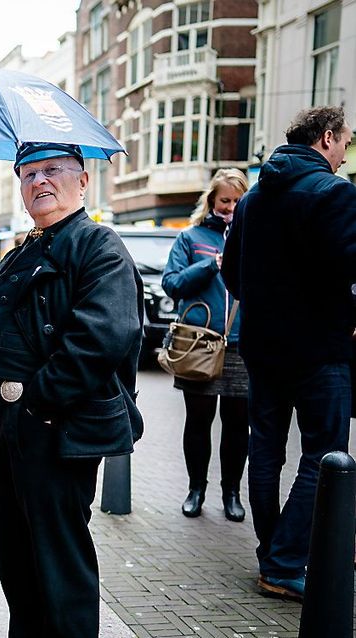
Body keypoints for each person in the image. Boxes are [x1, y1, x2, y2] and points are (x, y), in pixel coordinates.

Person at [0, 142, 143, 637]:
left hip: (52, 431)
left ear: (83, 181)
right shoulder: (20, 251)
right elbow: (9, 331)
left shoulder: (99, 247)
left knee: (58, 565)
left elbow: (100, 342)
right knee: (16, 558)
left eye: (52, 171)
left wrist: (33, 406)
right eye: (28, 175)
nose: (39, 182)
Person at [222, 105, 356, 602]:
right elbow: (348, 269)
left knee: (266, 451)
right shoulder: (335, 193)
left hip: (262, 346)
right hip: (319, 347)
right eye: (344, 142)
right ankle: (282, 562)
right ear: (326, 139)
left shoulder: (255, 198)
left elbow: (230, 273)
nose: (345, 153)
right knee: (323, 454)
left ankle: (270, 552)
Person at [161, 168, 249, 522]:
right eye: (224, 200)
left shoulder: (254, 237)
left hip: (242, 345)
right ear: (212, 200)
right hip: (200, 343)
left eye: (237, 202)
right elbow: (172, 284)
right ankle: (196, 489)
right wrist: (211, 266)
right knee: (198, 421)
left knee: (236, 423)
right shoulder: (190, 237)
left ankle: (232, 494)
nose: (230, 208)